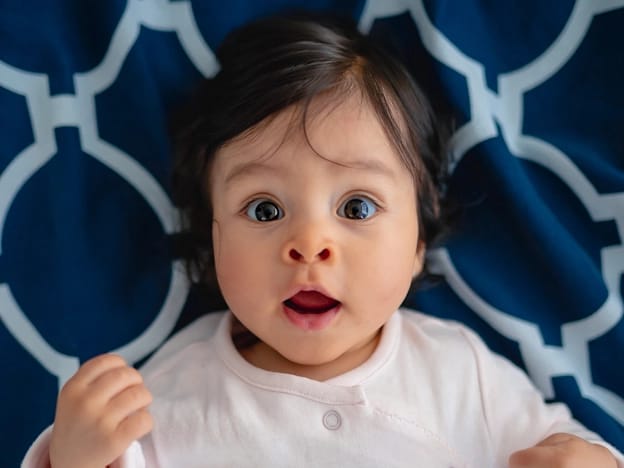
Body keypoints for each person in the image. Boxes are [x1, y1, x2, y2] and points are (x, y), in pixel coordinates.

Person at [23, 13, 623, 468]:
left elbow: (569, 446)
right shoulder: (167, 395)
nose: (309, 244)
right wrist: (73, 457)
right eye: (264, 209)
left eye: (357, 207)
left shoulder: (458, 371)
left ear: (418, 236)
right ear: (212, 233)